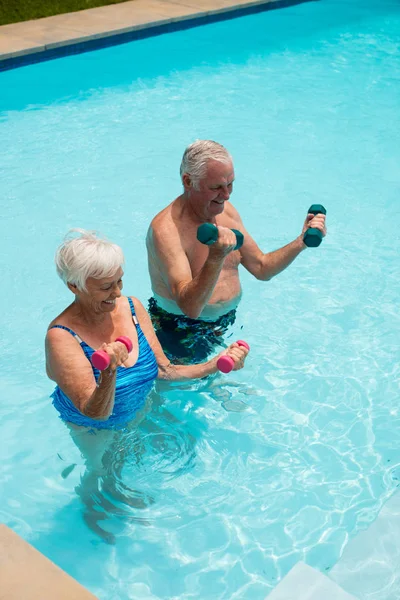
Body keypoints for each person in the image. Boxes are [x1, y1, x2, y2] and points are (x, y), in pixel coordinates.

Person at [45, 229, 248, 543]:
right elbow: (94, 412)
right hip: (94, 428)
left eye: (119, 281)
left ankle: (118, 495)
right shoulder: (61, 337)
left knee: (129, 458)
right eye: (105, 287)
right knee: (102, 471)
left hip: (138, 407)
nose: (117, 293)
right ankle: (93, 510)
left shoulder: (132, 307)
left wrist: (215, 364)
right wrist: (109, 372)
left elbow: (164, 371)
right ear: (75, 286)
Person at [146, 139, 326, 362]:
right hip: (179, 329)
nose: (227, 194)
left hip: (225, 322)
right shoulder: (166, 231)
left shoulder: (226, 211)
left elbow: (261, 268)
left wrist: (301, 242)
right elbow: (190, 307)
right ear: (188, 181)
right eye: (216, 187)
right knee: (178, 391)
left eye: (230, 184)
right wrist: (216, 257)